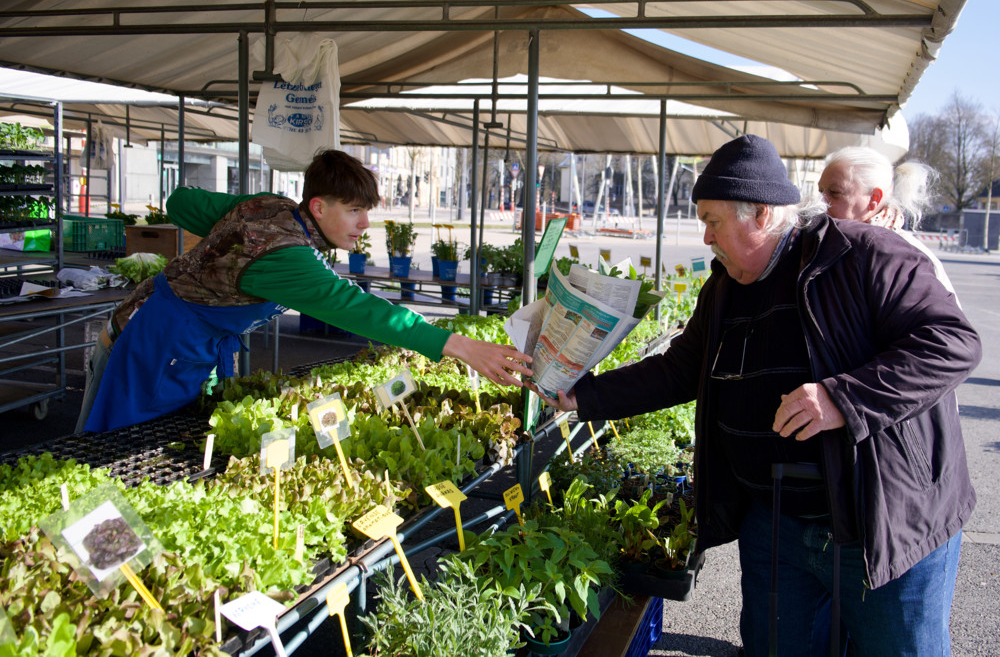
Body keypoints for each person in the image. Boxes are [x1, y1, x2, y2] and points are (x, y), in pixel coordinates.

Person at [532, 135, 981, 656]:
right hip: (777, 526)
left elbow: (952, 343)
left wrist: (843, 398)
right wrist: (581, 396)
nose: (705, 237)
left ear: (761, 214)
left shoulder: (864, 254)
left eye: (712, 221)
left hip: (881, 523)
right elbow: (679, 371)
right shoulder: (725, 286)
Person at [78, 149, 531, 433]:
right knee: (118, 453)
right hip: (155, 347)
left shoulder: (268, 207)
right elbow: (361, 310)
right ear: (318, 206)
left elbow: (180, 202)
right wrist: (460, 346)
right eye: (355, 211)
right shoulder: (288, 258)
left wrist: (233, 224)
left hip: (175, 335)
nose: (364, 224)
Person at [819, 146, 955, 294]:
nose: (821, 202)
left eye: (835, 193)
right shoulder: (824, 244)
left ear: (874, 198)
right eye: (821, 191)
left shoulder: (909, 258)